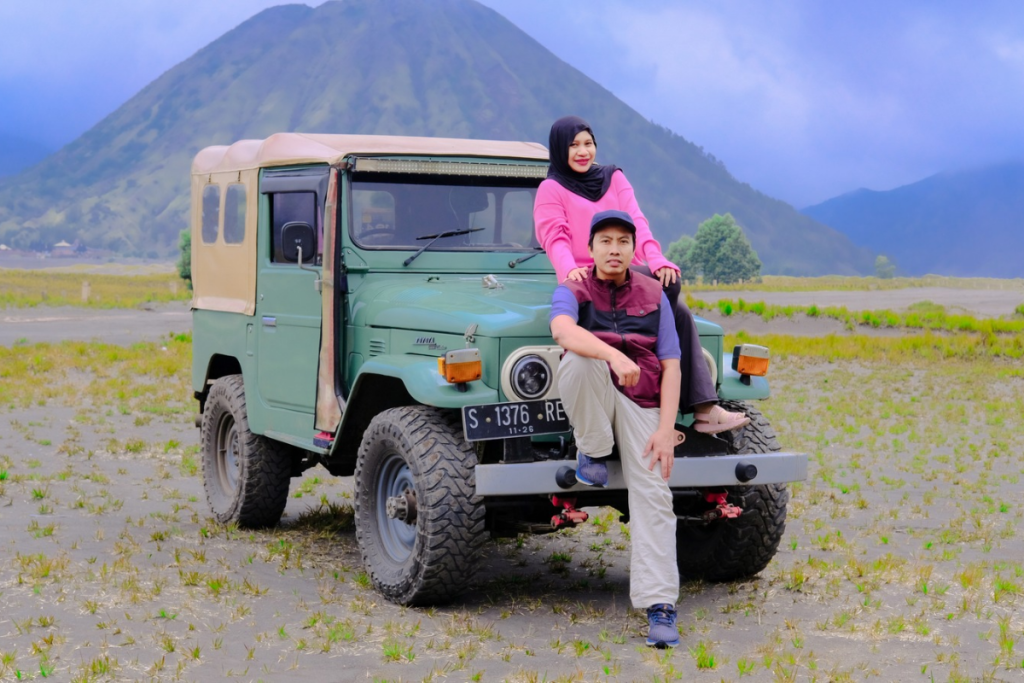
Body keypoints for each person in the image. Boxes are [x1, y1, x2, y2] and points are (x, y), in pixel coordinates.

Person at [535, 115, 748, 434]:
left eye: (588, 144)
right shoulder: (551, 188)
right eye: (573, 145)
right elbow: (555, 236)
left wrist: (657, 258)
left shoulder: (613, 178)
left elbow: (637, 221)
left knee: (672, 294)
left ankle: (703, 409)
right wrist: (570, 271)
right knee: (673, 308)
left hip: (629, 272)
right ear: (559, 150)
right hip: (588, 275)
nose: (582, 151)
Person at [549, 209, 682, 648]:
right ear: (590, 249)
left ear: (632, 249)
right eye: (605, 241)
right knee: (580, 358)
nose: (614, 249)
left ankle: (660, 606)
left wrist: (666, 430)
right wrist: (612, 355)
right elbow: (563, 331)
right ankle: (592, 451)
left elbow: (671, 365)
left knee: (654, 494)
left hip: (643, 398)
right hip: (598, 394)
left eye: (623, 241)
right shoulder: (573, 287)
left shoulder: (652, 291)